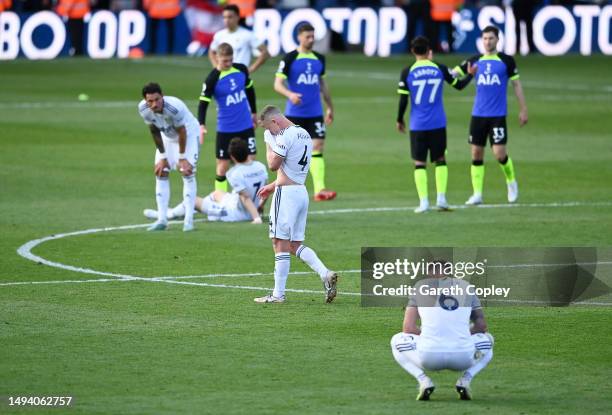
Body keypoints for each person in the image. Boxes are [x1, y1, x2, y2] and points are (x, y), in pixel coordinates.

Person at [254, 106, 338, 304]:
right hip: (300, 192)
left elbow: (273, 165)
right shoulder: (304, 134)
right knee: (294, 244)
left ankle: (278, 295)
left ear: (275, 121)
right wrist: (272, 186)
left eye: (268, 127)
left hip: (286, 196)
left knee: (279, 242)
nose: (270, 132)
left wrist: (268, 142)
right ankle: (325, 273)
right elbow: (291, 170)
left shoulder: (284, 136)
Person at [390, 263, 494, 400]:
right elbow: (481, 326)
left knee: (397, 339)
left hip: (429, 358)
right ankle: (466, 380)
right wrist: (459, 334)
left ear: (428, 275)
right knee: (488, 340)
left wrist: (429, 334)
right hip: (463, 358)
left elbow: (408, 328)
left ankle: (423, 380)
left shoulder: (420, 287)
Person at [453, 25, 528, 205]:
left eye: (491, 38)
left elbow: (516, 85)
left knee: (499, 154)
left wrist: (523, 109)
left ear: (497, 39)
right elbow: (454, 73)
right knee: (476, 153)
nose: (488, 42)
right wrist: (440, 71)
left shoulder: (506, 61)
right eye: (485, 38)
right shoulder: (475, 60)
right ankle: (477, 194)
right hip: (478, 115)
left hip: (497, 115)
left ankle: (511, 182)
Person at [397, 36, 472, 213]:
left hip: (417, 124)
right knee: (440, 160)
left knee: (419, 163)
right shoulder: (439, 68)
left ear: (413, 51)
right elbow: (459, 86)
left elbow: (403, 99)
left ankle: (423, 202)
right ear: (429, 50)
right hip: (438, 122)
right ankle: (441, 199)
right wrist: (471, 75)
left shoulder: (407, 71)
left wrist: (399, 119)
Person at [275, 23, 337, 202]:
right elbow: (277, 84)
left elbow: (322, 85)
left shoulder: (319, 58)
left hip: (315, 113)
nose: (311, 40)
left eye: (312, 36)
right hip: (294, 113)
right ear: (299, 37)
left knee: (317, 148)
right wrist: (290, 94)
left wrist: (330, 106)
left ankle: (320, 189)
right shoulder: (289, 58)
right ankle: (283, 185)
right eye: (307, 37)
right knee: (288, 151)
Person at [144, 138, 267, 224]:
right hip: (248, 206)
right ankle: (191, 209)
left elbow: (245, 198)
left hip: (235, 214)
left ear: (232, 157)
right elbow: (265, 192)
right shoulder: (261, 166)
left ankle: (167, 214)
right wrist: (260, 207)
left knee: (194, 200)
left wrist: (256, 218)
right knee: (217, 193)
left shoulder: (234, 173)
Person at [138, 82, 200, 232]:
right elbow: (154, 130)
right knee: (161, 171)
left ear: (162, 96)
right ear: (146, 101)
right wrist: (163, 157)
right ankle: (162, 220)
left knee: (187, 172)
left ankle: (188, 221)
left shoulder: (174, 107)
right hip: (167, 137)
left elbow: (182, 132)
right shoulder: (143, 109)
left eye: (157, 99)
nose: (154, 104)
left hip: (188, 134)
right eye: (150, 101)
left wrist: (182, 157)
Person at [199, 42, 258, 192]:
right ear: (217, 57)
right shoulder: (212, 79)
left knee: (250, 161)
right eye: (225, 61)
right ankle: (221, 200)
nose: (228, 63)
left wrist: (254, 113)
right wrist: (202, 124)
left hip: (245, 125)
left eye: (230, 60)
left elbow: (250, 90)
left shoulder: (241, 70)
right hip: (226, 128)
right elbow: (203, 103)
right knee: (222, 166)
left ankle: (249, 198)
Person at [208, 4, 270, 74]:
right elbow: (211, 51)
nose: (227, 20)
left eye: (230, 17)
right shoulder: (219, 35)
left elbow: (265, 52)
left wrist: (251, 69)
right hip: (223, 76)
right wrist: (216, 67)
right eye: (224, 17)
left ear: (237, 17)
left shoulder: (247, 35)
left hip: (240, 76)